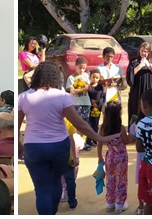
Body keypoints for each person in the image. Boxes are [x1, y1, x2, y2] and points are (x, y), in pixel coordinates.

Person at [18, 61, 120, 214]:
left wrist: (19, 146)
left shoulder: (23, 97)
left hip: (33, 147)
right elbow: (80, 124)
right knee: (55, 182)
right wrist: (101, 138)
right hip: (59, 146)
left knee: (41, 189)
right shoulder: (63, 96)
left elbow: (16, 127)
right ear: (56, 77)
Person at [97, 102, 129, 214]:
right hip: (121, 157)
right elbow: (126, 141)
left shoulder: (102, 128)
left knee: (110, 179)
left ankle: (110, 203)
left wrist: (99, 156)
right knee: (121, 179)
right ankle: (119, 204)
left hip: (110, 155)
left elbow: (99, 143)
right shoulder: (121, 128)